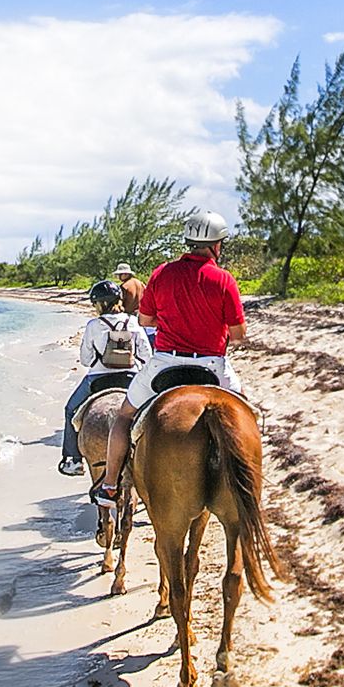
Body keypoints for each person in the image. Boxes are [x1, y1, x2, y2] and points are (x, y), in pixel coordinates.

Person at [94, 209, 247, 508]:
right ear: (217, 245)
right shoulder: (224, 280)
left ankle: (110, 485)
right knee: (246, 415)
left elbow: (147, 321)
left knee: (124, 415)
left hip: (166, 363)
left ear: (189, 242)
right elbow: (238, 334)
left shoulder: (162, 273)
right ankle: (248, 482)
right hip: (212, 365)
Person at [59, 279, 145, 475]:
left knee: (71, 410)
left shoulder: (93, 325)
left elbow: (86, 360)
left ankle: (73, 460)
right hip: (130, 379)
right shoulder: (133, 322)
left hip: (98, 380)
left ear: (100, 304)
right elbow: (146, 356)